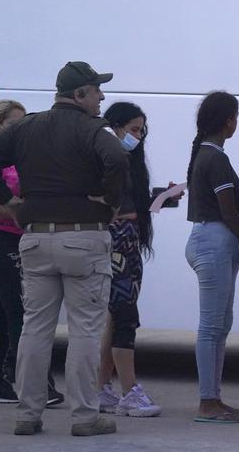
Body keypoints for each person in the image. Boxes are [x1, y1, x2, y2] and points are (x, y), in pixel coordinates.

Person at [0, 61, 128, 437]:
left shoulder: (27, 126)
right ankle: (85, 417)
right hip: (85, 238)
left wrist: (9, 201)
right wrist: (108, 200)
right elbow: (119, 158)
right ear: (79, 95)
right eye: (96, 90)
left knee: (34, 329)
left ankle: (27, 414)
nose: (102, 96)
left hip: (36, 238)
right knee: (85, 331)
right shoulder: (94, 129)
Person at [0, 100, 64, 407]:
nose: (21, 131)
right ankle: (36, 384)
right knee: (20, 311)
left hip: (24, 240)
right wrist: (18, 211)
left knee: (5, 312)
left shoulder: (26, 156)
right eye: (14, 125)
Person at [184, 91, 239, 424]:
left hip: (210, 239)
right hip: (215, 240)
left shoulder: (205, 153)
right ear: (228, 120)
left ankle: (213, 398)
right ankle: (207, 401)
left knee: (219, 325)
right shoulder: (215, 158)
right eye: (235, 117)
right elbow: (228, 211)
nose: (236, 123)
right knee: (212, 326)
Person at [96, 101, 170, 418]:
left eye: (141, 131)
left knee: (114, 319)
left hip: (127, 242)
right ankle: (129, 391)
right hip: (117, 244)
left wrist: (160, 198)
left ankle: (100, 388)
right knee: (124, 315)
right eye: (133, 129)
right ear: (116, 126)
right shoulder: (107, 159)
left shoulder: (127, 161)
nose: (137, 137)